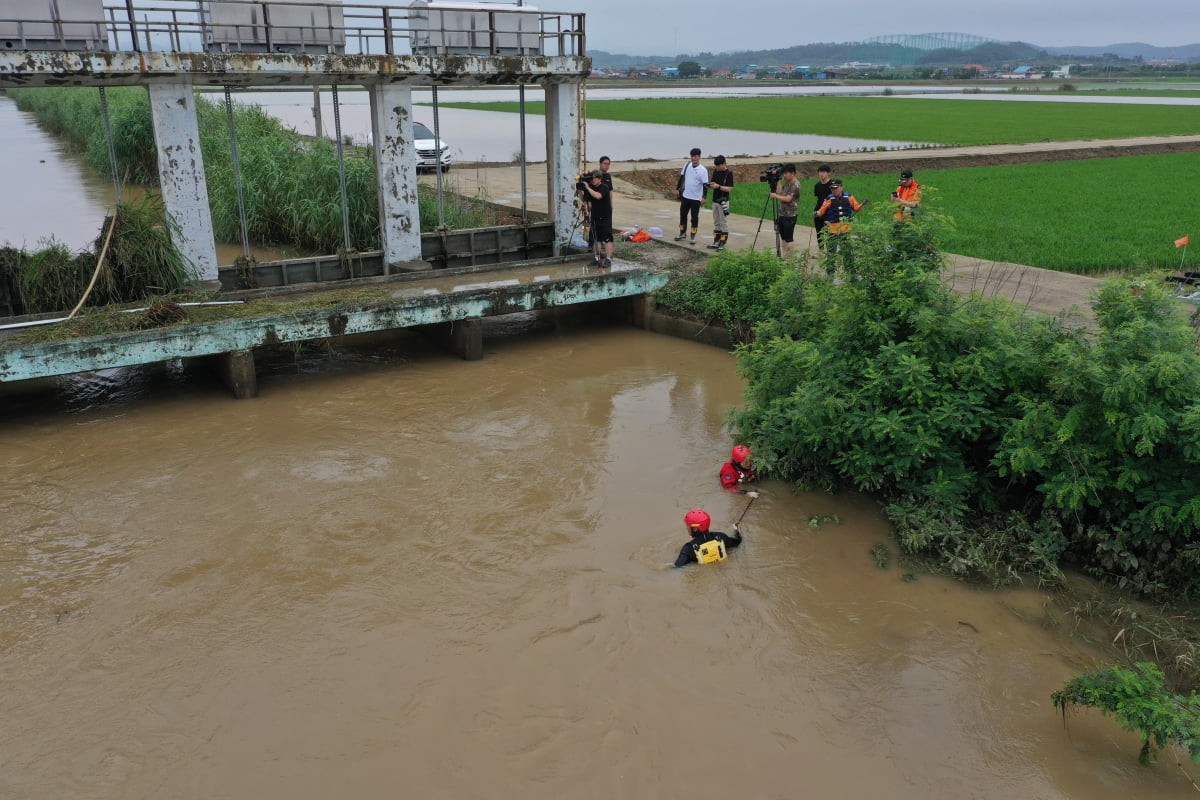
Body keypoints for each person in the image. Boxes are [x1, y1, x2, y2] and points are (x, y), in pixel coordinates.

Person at [813, 179, 865, 271]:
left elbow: (856, 209)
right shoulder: (829, 199)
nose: (834, 190)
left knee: (848, 254)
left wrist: (862, 205)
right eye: (832, 189)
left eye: (836, 188)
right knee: (831, 256)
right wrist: (816, 213)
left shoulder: (849, 197)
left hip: (846, 231)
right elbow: (821, 212)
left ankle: (851, 275)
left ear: (841, 187)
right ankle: (830, 277)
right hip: (832, 232)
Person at [674, 509, 744, 568]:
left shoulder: (688, 549)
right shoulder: (721, 537)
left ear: (695, 529)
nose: (686, 528)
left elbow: (678, 567)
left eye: (688, 525)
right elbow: (737, 542)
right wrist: (737, 531)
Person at [674, 147, 708, 245]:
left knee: (694, 217)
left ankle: (693, 236)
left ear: (699, 157)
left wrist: (704, 197)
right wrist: (677, 188)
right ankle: (682, 233)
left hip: (696, 199)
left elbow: (705, 185)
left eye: (695, 157)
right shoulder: (687, 165)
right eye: (692, 156)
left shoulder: (703, 170)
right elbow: (682, 177)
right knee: (683, 215)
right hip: (685, 196)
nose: (693, 159)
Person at [580, 169, 613, 268]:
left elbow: (598, 196)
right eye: (591, 178)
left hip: (605, 216)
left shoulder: (604, 187)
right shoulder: (591, 188)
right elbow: (584, 199)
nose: (592, 180)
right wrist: (580, 190)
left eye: (594, 178)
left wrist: (587, 187)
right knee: (596, 239)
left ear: (599, 179)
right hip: (595, 216)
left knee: (607, 239)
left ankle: (608, 259)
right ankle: (597, 258)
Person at [767, 164, 800, 258]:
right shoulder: (788, 183)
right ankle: (785, 255)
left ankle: (789, 258)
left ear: (792, 173)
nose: (784, 175)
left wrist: (775, 196)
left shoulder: (795, 184)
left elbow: (788, 199)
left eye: (786, 173)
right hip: (782, 214)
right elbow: (781, 191)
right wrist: (777, 180)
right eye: (783, 173)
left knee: (789, 238)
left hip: (790, 215)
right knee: (783, 237)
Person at [706, 154, 734, 251]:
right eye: (716, 166)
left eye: (718, 166)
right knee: (716, 221)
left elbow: (729, 189)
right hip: (715, 200)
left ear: (723, 164)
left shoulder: (729, 173)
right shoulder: (716, 171)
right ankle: (716, 241)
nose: (717, 168)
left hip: (723, 201)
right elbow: (714, 182)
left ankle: (723, 242)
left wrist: (718, 186)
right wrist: (710, 185)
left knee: (723, 222)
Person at [812, 164, 834, 249]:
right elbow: (818, 198)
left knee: (829, 233)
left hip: (829, 212)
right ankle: (821, 251)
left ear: (828, 173)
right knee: (819, 233)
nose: (821, 174)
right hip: (818, 211)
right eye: (820, 172)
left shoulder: (832, 184)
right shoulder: (817, 185)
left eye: (824, 172)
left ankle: (830, 252)